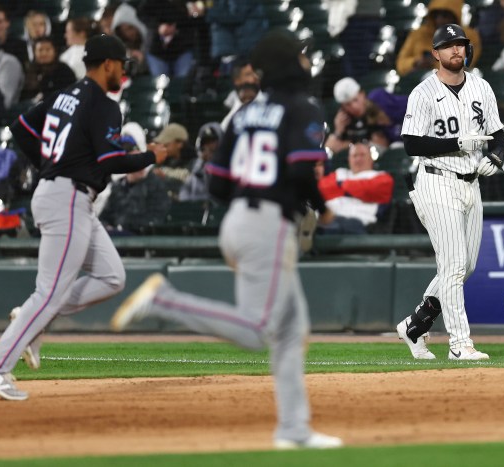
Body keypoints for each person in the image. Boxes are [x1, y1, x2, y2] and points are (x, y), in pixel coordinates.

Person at [109, 29, 342, 449]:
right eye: (301, 57)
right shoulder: (302, 106)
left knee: (292, 327)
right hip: (267, 227)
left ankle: (293, 429)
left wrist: (252, 199)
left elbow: (216, 184)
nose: (307, 63)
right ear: (290, 63)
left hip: (239, 221)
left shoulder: (245, 112)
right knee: (258, 330)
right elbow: (300, 170)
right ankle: (164, 301)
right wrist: (322, 207)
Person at [0, 34, 168, 401]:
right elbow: (111, 161)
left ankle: (33, 322)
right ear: (108, 64)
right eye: (121, 65)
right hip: (66, 198)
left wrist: (50, 164)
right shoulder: (105, 105)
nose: (123, 71)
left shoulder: (64, 95)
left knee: (111, 277)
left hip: (67, 197)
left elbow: (21, 129)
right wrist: (150, 156)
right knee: (48, 293)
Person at [396, 24, 504, 361]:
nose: (456, 50)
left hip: (471, 182)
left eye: (460, 44)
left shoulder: (481, 86)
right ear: (436, 54)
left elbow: (497, 133)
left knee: (465, 266)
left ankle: (415, 325)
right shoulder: (424, 92)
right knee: (454, 265)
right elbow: (411, 143)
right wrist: (456, 143)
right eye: (448, 46)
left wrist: (496, 158)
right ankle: (460, 344)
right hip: (436, 179)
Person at [317, 142, 394, 235]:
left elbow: (369, 190)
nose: (358, 159)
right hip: (327, 216)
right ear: (349, 159)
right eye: (354, 156)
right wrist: (354, 190)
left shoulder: (381, 176)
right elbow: (321, 189)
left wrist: (339, 186)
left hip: (359, 222)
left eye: (362, 155)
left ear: (371, 158)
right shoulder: (340, 173)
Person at [396, 0, 482, 77]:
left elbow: (463, 65)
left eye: (445, 15)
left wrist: (433, 63)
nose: (440, 20)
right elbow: (401, 64)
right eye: (436, 15)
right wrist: (416, 62)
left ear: (455, 16)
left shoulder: (469, 36)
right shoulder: (418, 34)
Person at [325, 77, 408, 154]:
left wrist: (347, 145)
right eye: (348, 104)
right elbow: (328, 148)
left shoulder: (377, 102)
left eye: (355, 100)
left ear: (362, 94)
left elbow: (381, 144)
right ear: (342, 106)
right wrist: (338, 131)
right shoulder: (343, 120)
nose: (354, 107)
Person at [100, 166, 171, 235]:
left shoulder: (154, 185)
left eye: (143, 162)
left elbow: (157, 216)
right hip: (117, 232)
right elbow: (104, 216)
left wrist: (124, 225)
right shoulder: (118, 187)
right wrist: (107, 226)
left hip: (142, 234)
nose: (140, 167)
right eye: (136, 162)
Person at [145, 7, 195, 78]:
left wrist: (176, 27)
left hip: (183, 47)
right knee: (161, 82)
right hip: (157, 50)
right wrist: (158, 26)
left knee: (182, 82)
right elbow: (141, 12)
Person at [21, 36, 77, 101]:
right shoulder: (29, 70)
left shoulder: (64, 71)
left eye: (48, 50)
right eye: (40, 50)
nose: (44, 53)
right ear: (34, 52)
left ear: (55, 51)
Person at [178, 121, 222, 201]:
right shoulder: (195, 168)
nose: (208, 148)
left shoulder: (230, 169)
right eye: (205, 144)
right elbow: (184, 196)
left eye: (212, 142)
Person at [151, 122, 193, 198]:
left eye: (166, 145)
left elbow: (192, 188)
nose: (163, 148)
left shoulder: (196, 164)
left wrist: (164, 178)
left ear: (179, 144)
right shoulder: (159, 162)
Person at [220, 57, 263, 130]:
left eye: (255, 73)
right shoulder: (229, 120)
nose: (255, 77)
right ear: (237, 80)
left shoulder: (268, 100)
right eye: (248, 74)